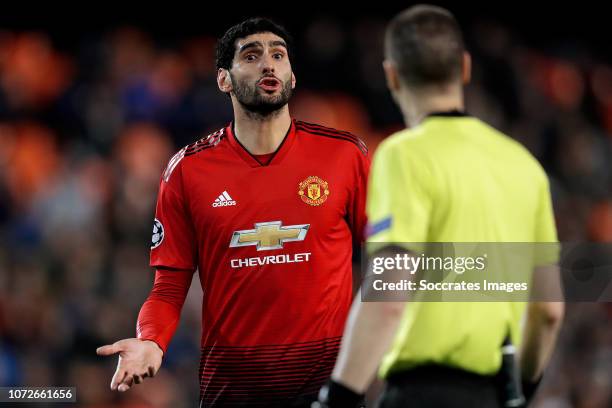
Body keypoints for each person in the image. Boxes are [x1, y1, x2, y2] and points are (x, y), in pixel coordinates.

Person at [96, 17, 369, 407]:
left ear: (292, 78)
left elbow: (391, 259)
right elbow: (169, 287)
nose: (268, 65)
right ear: (224, 79)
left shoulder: (345, 156)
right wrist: (151, 340)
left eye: (278, 55)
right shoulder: (188, 171)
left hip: (327, 389)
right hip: (232, 390)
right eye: (252, 56)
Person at [316, 5, 564, 408]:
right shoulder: (524, 164)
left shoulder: (402, 154)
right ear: (464, 68)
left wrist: (338, 397)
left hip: (421, 394)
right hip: (493, 394)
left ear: (391, 74)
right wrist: (523, 388)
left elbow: (390, 289)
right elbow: (549, 310)